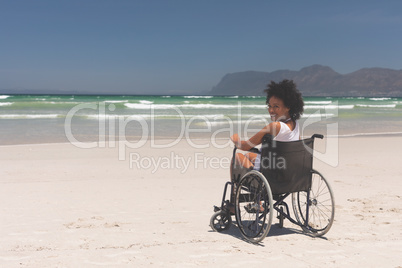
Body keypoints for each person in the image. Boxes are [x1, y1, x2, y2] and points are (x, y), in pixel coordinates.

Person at [230, 79, 304, 170]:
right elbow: (298, 147)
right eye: (269, 106)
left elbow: (245, 146)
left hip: (270, 172)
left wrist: (236, 139)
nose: (271, 110)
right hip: (287, 170)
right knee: (249, 155)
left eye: (276, 106)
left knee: (237, 157)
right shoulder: (295, 123)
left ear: (288, 107)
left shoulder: (276, 126)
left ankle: (237, 185)